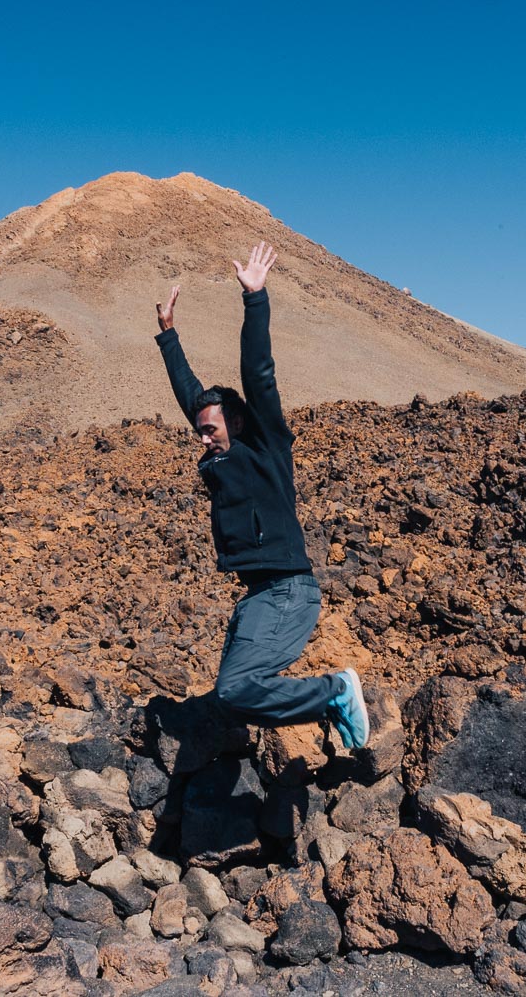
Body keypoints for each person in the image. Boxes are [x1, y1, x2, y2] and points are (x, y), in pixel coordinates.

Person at [153, 242, 369, 748]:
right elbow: (194, 400)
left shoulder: (265, 444)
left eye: (210, 429)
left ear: (239, 421)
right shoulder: (219, 451)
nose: (202, 438)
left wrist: (255, 299)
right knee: (228, 704)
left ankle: (335, 692)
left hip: (287, 590)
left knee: (236, 690)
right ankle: (335, 724)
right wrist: (168, 337)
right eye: (199, 432)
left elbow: (259, 375)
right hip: (257, 596)